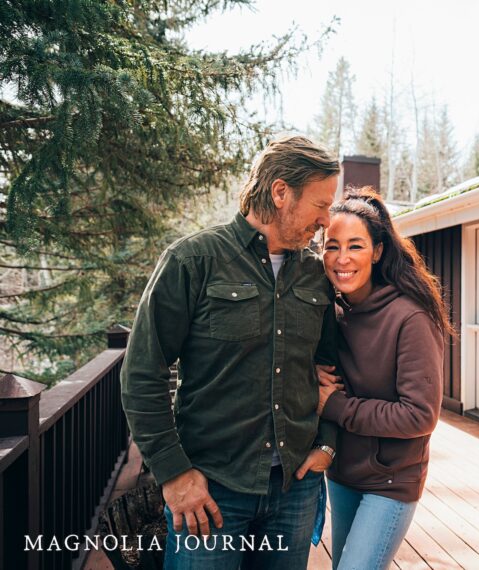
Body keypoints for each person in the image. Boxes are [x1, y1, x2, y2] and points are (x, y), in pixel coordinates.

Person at [120, 135, 341, 570]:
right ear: (281, 193)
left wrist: (327, 447)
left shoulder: (316, 276)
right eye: (320, 204)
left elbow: (329, 368)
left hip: (293, 490)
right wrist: (173, 473)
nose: (326, 220)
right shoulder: (192, 261)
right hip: (209, 492)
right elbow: (142, 374)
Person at [316, 186, 452, 570]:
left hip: (390, 483)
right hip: (342, 474)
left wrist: (335, 406)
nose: (342, 258)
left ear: (377, 251)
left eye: (355, 246)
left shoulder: (410, 318)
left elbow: (419, 416)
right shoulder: (330, 311)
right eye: (332, 245)